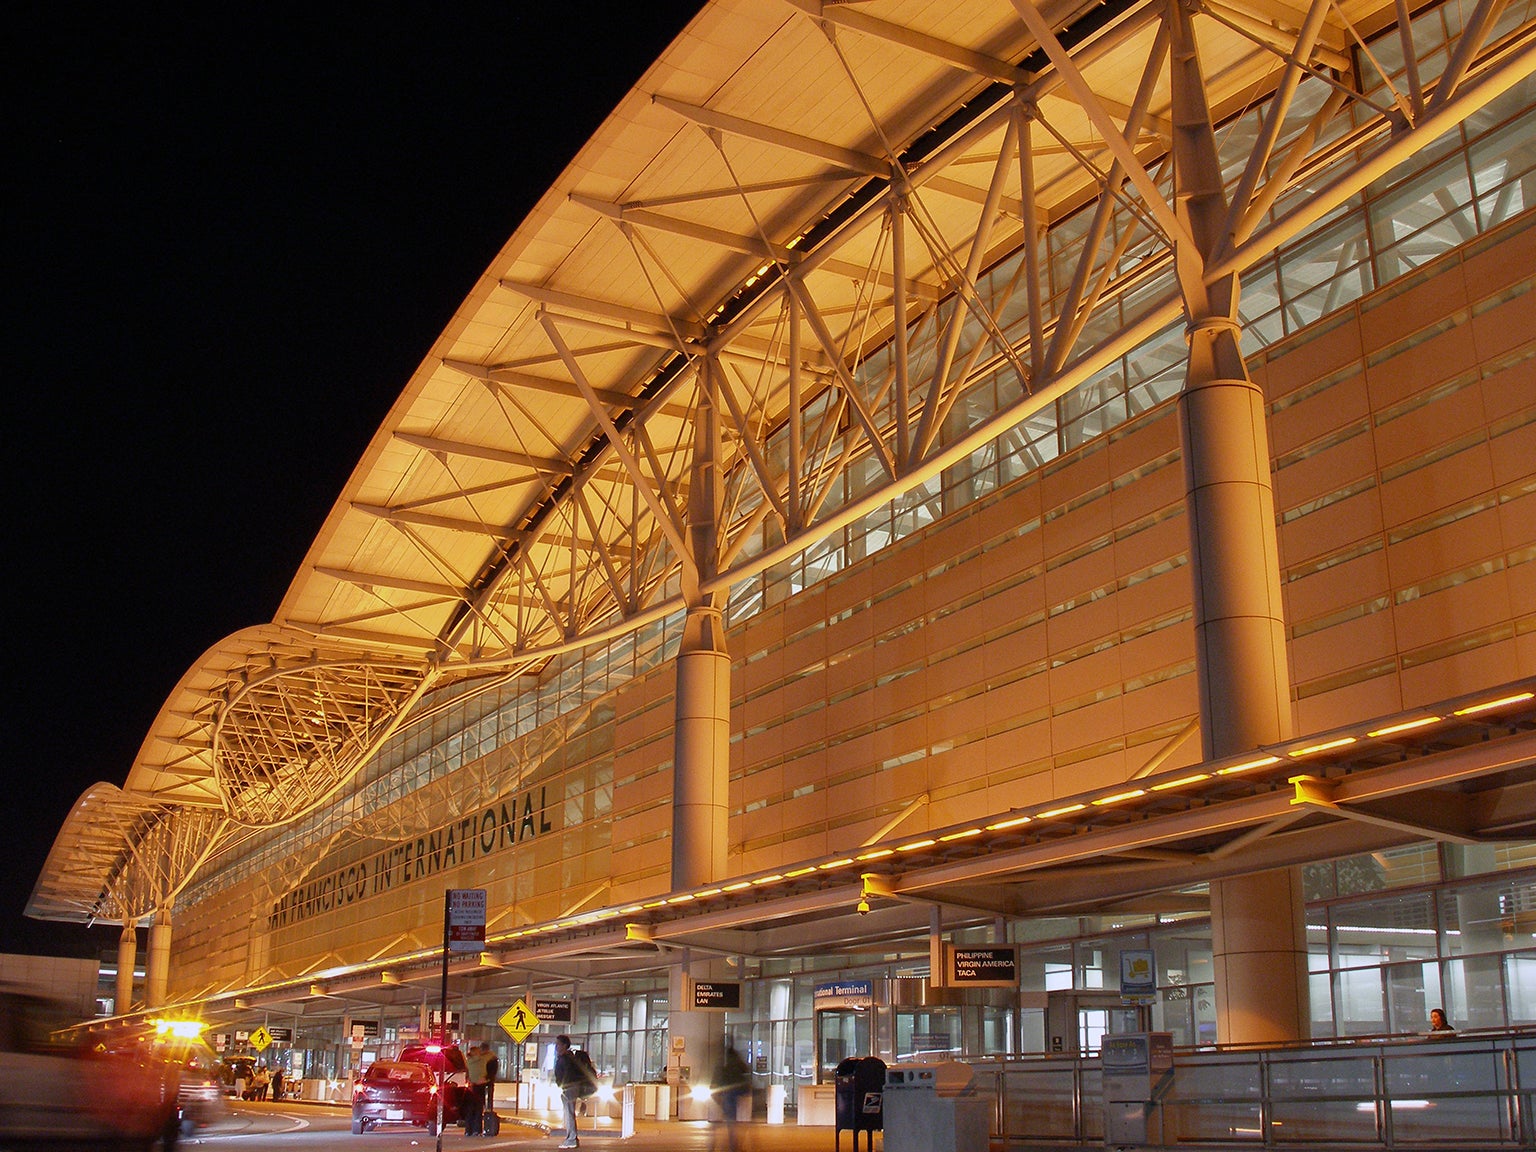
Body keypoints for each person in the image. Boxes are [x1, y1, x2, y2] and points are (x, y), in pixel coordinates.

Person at [711, 1045, 751, 1152]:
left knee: (726, 1120)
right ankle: (733, 1146)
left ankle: (714, 1145)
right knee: (731, 1121)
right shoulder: (736, 1064)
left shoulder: (725, 1065)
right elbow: (745, 1071)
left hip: (727, 1094)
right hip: (733, 1094)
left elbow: (720, 1079)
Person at [552, 1035, 588, 1149]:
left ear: (564, 1045)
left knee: (568, 1113)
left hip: (569, 1088)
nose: (556, 1046)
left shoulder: (566, 1058)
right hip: (570, 1087)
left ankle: (571, 1138)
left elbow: (566, 1074)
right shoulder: (568, 1057)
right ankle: (572, 1138)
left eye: (558, 1044)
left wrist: (563, 1085)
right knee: (568, 1113)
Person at [464, 1043, 491, 1136]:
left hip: (471, 1087)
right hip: (480, 1086)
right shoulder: (482, 1060)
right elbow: (491, 1057)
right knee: (478, 1109)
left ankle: (468, 1130)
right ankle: (477, 1130)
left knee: (470, 1109)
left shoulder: (468, 1062)